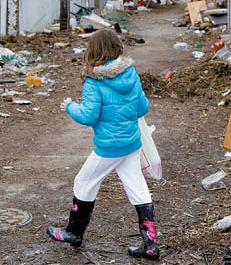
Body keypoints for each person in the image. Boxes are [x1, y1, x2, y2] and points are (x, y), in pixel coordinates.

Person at [47, 28, 159, 260]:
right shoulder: (130, 73)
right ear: (117, 47)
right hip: (131, 143)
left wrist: (69, 106)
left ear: (94, 50)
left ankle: (73, 232)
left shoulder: (94, 80)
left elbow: (88, 116)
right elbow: (142, 108)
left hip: (109, 146)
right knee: (137, 188)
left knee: (84, 182)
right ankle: (150, 244)